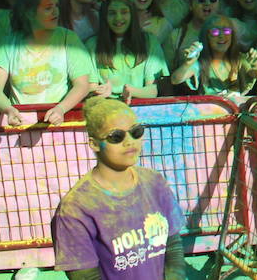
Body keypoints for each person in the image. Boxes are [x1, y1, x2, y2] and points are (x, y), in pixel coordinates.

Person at [51, 95, 187, 280]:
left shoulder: (154, 182)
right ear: (94, 144)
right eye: (116, 136)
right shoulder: (76, 208)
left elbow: (173, 246)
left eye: (136, 132)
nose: (129, 141)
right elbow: (85, 276)